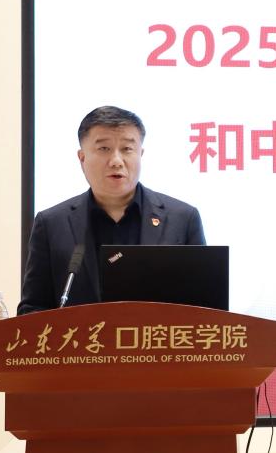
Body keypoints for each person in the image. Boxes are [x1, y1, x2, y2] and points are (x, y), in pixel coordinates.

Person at [18, 105, 205, 314]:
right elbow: (32, 309)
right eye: (104, 149)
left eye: (127, 149)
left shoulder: (182, 219)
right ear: (82, 158)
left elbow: (205, 309)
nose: (116, 161)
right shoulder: (51, 224)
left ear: (140, 154)